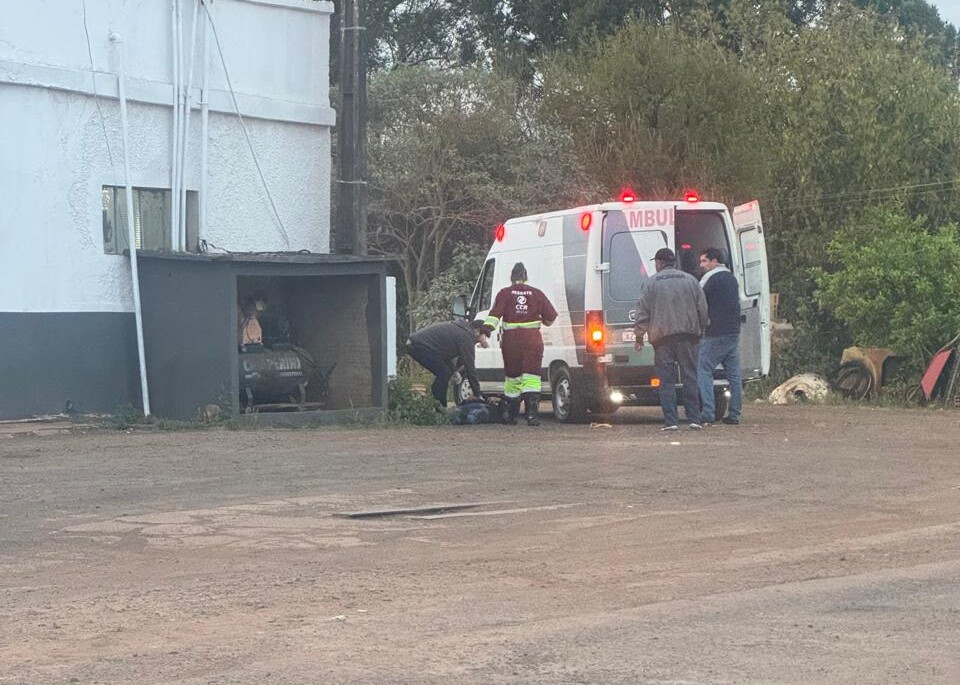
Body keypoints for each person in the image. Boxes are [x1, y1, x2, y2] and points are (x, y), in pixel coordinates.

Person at [633, 247, 709, 431]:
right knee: (690, 377)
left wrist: (639, 336)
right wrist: (701, 330)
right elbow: (702, 308)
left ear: (659, 263)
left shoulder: (651, 283)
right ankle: (694, 418)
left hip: (662, 339)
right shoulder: (691, 281)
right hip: (688, 337)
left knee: (666, 381)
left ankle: (671, 421)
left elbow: (642, 312)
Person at [484, 262, 557, 426]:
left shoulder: (504, 293)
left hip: (511, 341)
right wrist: (540, 319)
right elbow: (551, 318)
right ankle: (532, 416)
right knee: (532, 376)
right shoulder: (537, 293)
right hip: (532, 340)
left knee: (512, 376)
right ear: (526, 277)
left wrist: (484, 331)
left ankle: (511, 415)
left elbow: (494, 317)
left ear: (511, 277)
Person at [697, 247, 742, 426]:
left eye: (704, 261)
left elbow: (698, 300)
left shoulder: (710, 278)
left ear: (715, 260)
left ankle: (708, 412)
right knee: (734, 375)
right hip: (733, 331)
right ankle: (735, 414)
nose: (701, 265)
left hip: (716, 332)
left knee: (703, 369)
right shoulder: (732, 278)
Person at [406, 319, 488, 408]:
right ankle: (439, 407)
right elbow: (470, 367)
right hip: (419, 345)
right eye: (477, 341)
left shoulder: (461, 329)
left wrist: (454, 371)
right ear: (477, 331)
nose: (475, 343)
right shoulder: (466, 336)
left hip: (415, 343)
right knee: (444, 374)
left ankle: (436, 403)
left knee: (444, 373)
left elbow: (444, 355)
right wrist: (478, 394)